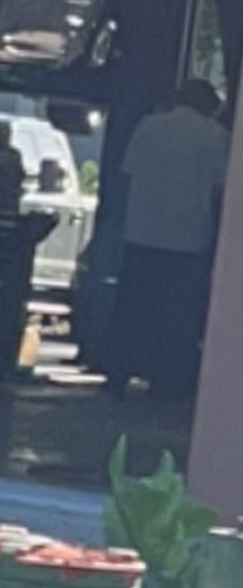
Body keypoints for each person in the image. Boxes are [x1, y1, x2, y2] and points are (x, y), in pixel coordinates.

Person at [109, 80, 230, 401]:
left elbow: (128, 174)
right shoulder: (215, 136)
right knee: (175, 316)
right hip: (187, 239)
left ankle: (120, 370)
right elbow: (220, 188)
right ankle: (166, 379)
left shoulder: (148, 126)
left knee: (133, 309)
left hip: (142, 232)